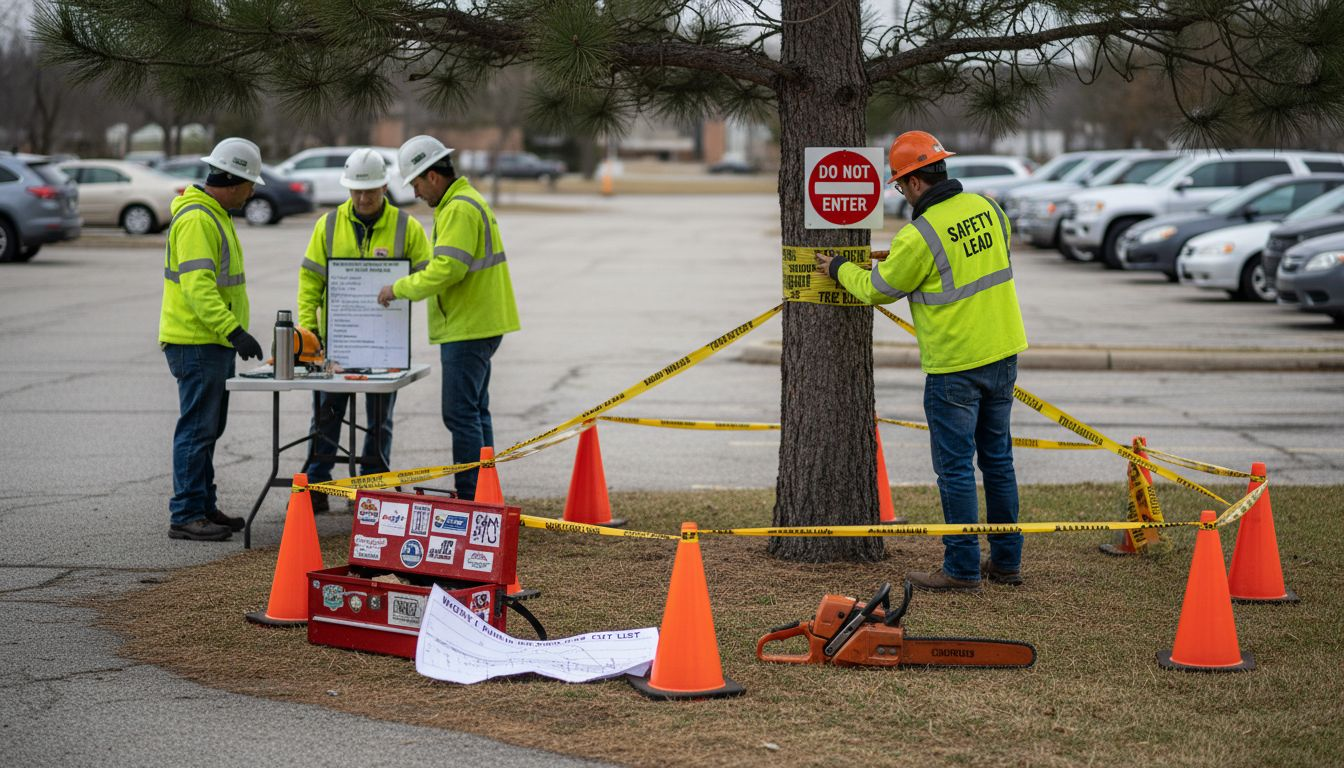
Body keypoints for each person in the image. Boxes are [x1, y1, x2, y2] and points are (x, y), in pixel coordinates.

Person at [815, 131, 1029, 591]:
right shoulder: (989, 209)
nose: (901, 192)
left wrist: (837, 268)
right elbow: (973, 260)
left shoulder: (919, 235)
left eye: (898, 184)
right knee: (998, 461)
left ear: (913, 182)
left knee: (955, 469)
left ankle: (962, 569)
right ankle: (1007, 562)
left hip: (954, 364)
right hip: (1004, 351)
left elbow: (875, 289)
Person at [377, 135, 520, 500]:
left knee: (459, 414)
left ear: (433, 177)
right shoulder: (464, 202)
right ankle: (485, 493)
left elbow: (448, 269)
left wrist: (399, 288)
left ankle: (472, 496)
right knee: (475, 412)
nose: (416, 193)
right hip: (479, 322)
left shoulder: (458, 208)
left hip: (468, 326)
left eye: (416, 184)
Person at [296, 149, 431, 512]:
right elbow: (310, 283)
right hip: (337, 344)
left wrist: (402, 288)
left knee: (379, 420)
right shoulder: (327, 225)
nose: (363, 197)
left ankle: (370, 489)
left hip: (385, 344)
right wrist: (310, 334)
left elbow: (428, 275)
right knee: (326, 414)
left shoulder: (407, 227)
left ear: (385, 186)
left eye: (370, 190)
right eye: (356, 190)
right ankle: (319, 484)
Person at [159, 137, 267, 541]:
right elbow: (199, 289)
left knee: (208, 428)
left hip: (209, 343)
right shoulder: (198, 220)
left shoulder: (213, 214)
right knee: (197, 429)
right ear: (234, 180)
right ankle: (186, 513)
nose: (253, 191)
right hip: (197, 342)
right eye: (250, 183)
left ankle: (202, 505)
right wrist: (233, 331)